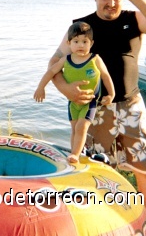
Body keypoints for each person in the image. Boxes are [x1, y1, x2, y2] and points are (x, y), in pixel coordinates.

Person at [49, 0, 146, 236]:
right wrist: (65, 89)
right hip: (95, 112)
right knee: (96, 174)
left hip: (131, 109)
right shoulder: (81, 28)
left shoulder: (134, 19)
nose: (111, 3)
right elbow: (54, 63)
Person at [34, 21, 115, 164]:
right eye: (76, 41)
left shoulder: (95, 59)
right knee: (74, 129)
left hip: (89, 102)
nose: (81, 45)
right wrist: (41, 87)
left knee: (81, 127)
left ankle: (76, 155)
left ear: (91, 43)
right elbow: (51, 71)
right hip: (73, 103)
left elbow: (106, 76)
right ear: (69, 43)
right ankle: (73, 154)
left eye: (85, 41)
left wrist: (111, 94)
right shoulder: (66, 60)